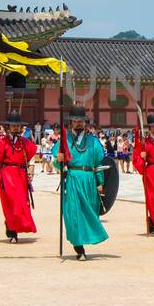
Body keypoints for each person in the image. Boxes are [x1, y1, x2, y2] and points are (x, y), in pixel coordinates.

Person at [52, 106, 109, 260]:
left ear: (85, 123)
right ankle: (78, 246)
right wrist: (59, 161)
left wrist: (100, 182)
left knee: (89, 212)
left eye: (81, 121)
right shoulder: (65, 140)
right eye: (76, 121)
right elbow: (57, 163)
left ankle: (85, 240)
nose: (78, 124)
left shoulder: (93, 141)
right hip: (72, 178)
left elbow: (98, 164)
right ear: (71, 122)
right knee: (73, 213)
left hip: (89, 179)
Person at [0, 116, 36, 241]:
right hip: (6, 175)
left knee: (21, 204)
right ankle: (12, 230)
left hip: (21, 175)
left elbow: (31, 156)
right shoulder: (2, 142)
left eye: (17, 126)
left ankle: (12, 226)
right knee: (10, 204)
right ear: (8, 127)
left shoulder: (25, 142)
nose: (15, 128)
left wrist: (31, 169)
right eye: (13, 125)